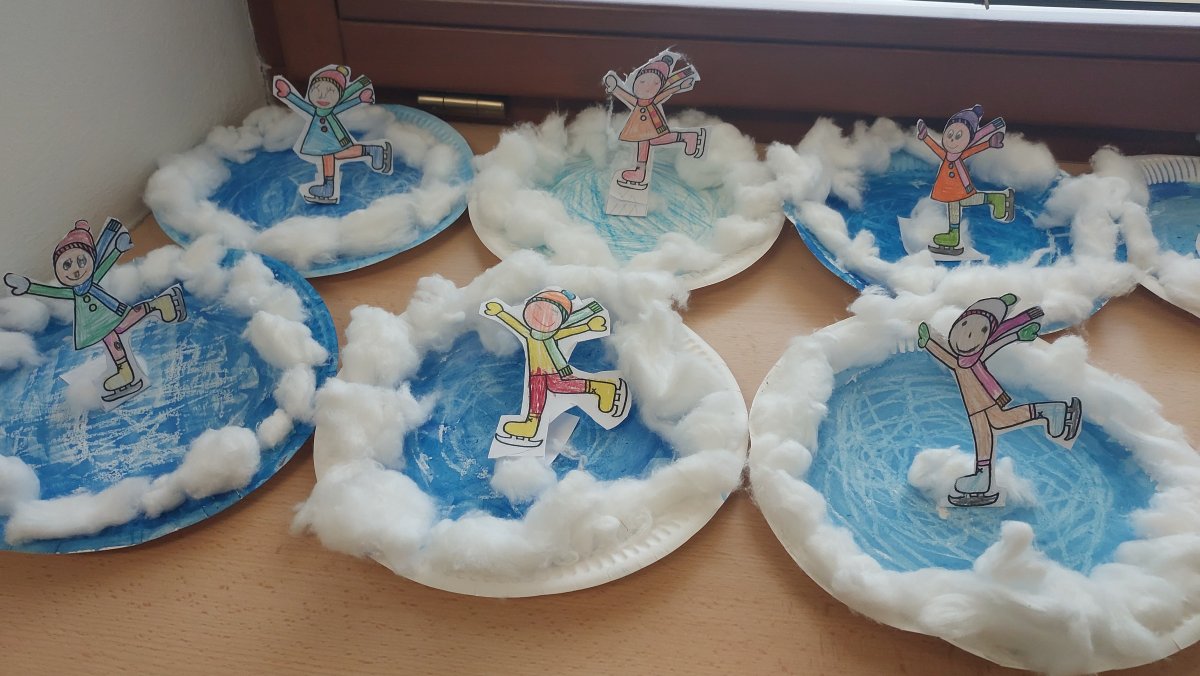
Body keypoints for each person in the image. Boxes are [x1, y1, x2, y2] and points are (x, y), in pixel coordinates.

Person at [918, 294, 1081, 506]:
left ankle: (1051, 412)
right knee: (984, 440)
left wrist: (1023, 326)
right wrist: (929, 340)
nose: (969, 334)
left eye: (982, 330)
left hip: (984, 404)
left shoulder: (975, 357)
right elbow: (946, 354)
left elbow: (1001, 335)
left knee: (998, 426)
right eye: (964, 325)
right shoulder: (960, 361)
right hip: (975, 408)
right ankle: (982, 480)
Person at [4, 220, 187, 402]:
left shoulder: (94, 280)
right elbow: (52, 292)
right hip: (93, 323)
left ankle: (159, 306)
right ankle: (125, 370)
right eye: (66, 265)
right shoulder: (73, 291)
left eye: (80, 261)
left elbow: (105, 265)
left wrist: (118, 249)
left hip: (107, 311)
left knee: (123, 325)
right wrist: (28, 287)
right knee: (112, 339)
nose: (75, 270)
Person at [484, 289, 626, 444]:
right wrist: (500, 312)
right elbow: (515, 323)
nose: (541, 315)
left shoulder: (554, 334)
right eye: (537, 307)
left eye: (553, 312)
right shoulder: (528, 332)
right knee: (546, 391)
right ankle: (532, 424)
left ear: (561, 319)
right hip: (535, 372)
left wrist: (588, 326)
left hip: (550, 369)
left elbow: (571, 329)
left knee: (548, 390)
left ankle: (533, 423)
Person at [273, 65, 393, 204]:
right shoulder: (314, 110)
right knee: (333, 156)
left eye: (330, 92)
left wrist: (360, 100)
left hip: (334, 136)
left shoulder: (332, 109)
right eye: (316, 90)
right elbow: (301, 105)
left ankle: (329, 188)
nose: (322, 96)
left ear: (339, 96)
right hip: (322, 138)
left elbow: (345, 106)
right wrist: (288, 94)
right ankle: (373, 151)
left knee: (331, 156)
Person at [916, 104, 1014, 256]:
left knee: (961, 203)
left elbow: (975, 149)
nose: (952, 140)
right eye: (950, 134)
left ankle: (995, 199)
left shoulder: (961, 154)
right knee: (955, 205)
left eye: (958, 136)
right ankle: (954, 234)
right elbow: (936, 148)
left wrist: (989, 144)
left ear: (969, 139)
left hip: (960, 187)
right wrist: (925, 137)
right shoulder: (947, 155)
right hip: (949, 189)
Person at [603, 53, 706, 190]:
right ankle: (687, 137)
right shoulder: (638, 101)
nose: (647, 87)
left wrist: (681, 86)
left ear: (659, 86)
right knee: (649, 142)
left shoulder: (653, 100)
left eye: (655, 83)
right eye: (642, 82)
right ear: (636, 82)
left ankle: (640, 172)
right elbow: (626, 96)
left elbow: (667, 92)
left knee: (649, 142)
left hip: (653, 124)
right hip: (640, 126)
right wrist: (614, 86)